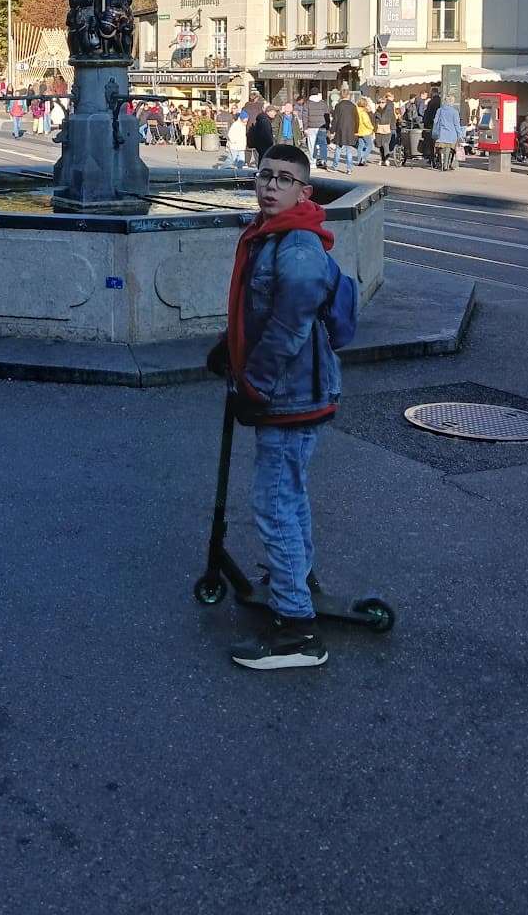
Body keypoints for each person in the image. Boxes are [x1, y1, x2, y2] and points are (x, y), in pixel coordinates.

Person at [205, 143, 351, 670]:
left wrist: (255, 385)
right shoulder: (271, 234)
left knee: (274, 504)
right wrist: (231, 346)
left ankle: (297, 632)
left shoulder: (295, 245)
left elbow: (291, 321)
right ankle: (298, 579)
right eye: (265, 175)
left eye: (284, 179)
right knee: (288, 494)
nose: (270, 185)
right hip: (292, 387)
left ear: (304, 191)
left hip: (291, 392)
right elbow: (260, 307)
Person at [432, 94, 464, 170]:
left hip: (441, 133)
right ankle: (448, 164)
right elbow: (456, 124)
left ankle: (442, 164)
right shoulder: (454, 112)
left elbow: (435, 121)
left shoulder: (439, 110)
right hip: (452, 134)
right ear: (452, 102)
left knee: (442, 149)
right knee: (451, 149)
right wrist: (460, 134)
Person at [330, 91, 358, 173]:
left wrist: (332, 130)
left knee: (338, 149)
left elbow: (335, 119)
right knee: (349, 150)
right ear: (348, 96)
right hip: (350, 130)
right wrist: (356, 130)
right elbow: (356, 119)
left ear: (340, 96)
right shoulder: (353, 106)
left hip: (340, 129)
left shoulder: (338, 106)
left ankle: (334, 167)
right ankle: (349, 169)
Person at [245, 98, 273, 168]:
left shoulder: (246, 109)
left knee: (258, 154)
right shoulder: (263, 118)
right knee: (261, 155)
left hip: (253, 135)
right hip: (261, 140)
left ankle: (249, 163)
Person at [372, 93, 397, 165]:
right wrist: (373, 129)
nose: (381, 104)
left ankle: (386, 158)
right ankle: (383, 159)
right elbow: (373, 120)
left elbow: (393, 119)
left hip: (387, 128)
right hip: (378, 129)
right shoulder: (377, 111)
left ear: (385, 103)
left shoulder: (389, 110)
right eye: (379, 103)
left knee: (385, 144)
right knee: (380, 145)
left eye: (382, 102)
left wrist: (392, 127)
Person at [354, 97, 375, 165]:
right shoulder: (363, 112)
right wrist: (371, 127)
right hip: (365, 131)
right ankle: (364, 159)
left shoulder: (356, 111)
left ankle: (359, 160)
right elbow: (366, 122)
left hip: (359, 131)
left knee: (360, 146)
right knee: (370, 145)